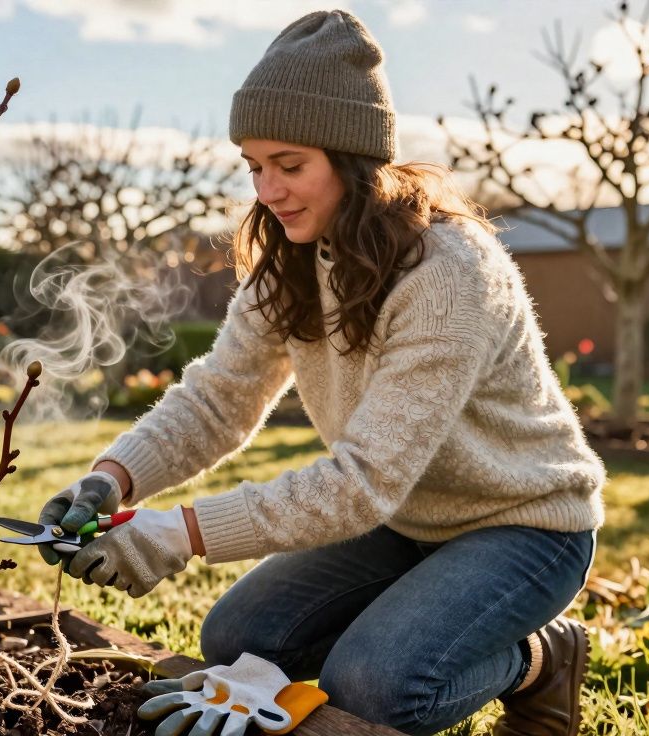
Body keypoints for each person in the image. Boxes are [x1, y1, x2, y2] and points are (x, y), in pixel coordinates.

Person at [34, 9, 604, 736]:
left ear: (354, 157)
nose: (267, 191)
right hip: (408, 520)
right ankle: (421, 613)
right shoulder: (294, 257)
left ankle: (539, 659)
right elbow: (219, 399)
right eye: (254, 167)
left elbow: (363, 482)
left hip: (525, 526)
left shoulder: (449, 274)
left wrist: (177, 532)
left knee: (372, 685)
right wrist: (113, 477)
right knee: (235, 640)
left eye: (289, 165)